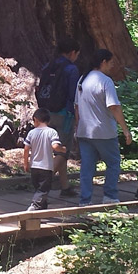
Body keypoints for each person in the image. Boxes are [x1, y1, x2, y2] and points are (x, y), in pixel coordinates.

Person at [74, 48, 133, 206]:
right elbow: (114, 107)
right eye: (111, 62)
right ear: (103, 62)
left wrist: (76, 128)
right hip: (104, 131)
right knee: (113, 162)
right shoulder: (105, 81)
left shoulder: (82, 80)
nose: (112, 66)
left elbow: (77, 108)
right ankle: (110, 195)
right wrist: (125, 130)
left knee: (87, 167)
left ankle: (85, 200)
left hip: (84, 131)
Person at [39, 39, 81, 197]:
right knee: (63, 152)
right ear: (72, 52)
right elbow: (73, 95)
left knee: (57, 152)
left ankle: (65, 187)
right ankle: (42, 186)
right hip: (64, 116)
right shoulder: (71, 69)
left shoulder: (48, 66)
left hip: (46, 114)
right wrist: (76, 116)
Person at [22, 108, 66, 211]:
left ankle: (42, 207)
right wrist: (62, 149)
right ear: (49, 121)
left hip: (34, 166)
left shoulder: (31, 133)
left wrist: (26, 164)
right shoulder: (52, 132)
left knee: (39, 188)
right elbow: (55, 146)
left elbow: (26, 149)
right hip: (46, 167)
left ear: (35, 119)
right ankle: (34, 206)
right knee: (43, 189)